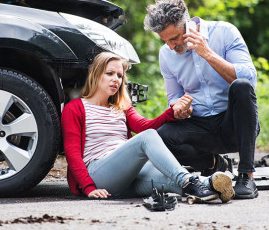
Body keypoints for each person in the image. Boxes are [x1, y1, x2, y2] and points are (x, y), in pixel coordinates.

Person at [61, 52, 234, 203]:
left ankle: (211, 185)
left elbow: (144, 126)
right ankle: (191, 183)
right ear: (96, 74)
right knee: (148, 138)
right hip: (99, 174)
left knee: (168, 176)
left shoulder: (122, 107)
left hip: (126, 175)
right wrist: (88, 187)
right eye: (110, 73)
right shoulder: (75, 108)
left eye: (120, 76)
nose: (116, 79)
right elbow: (73, 154)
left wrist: (171, 113)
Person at [144, 0, 260, 199]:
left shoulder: (224, 32)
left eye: (174, 38)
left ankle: (246, 175)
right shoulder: (166, 54)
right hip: (200, 128)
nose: (171, 46)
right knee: (160, 137)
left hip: (233, 124)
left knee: (241, 86)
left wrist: (207, 53)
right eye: (165, 41)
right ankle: (213, 163)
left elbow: (249, 79)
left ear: (189, 26)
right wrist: (179, 108)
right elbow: (174, 97)